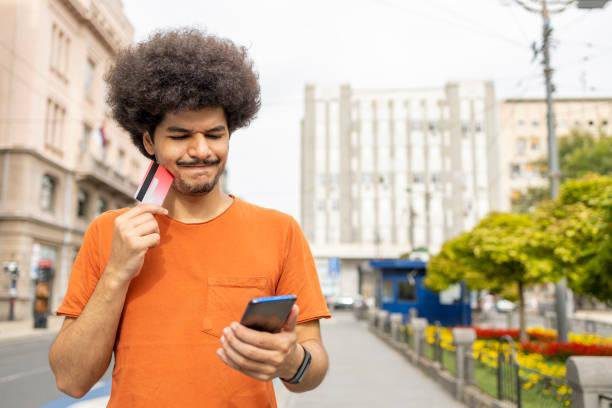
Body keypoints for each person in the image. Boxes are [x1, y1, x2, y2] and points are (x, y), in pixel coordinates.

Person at [49, 28, 331, 407]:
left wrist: (291, 360)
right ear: (149, 142)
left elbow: (311, 369)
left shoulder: (279, 231)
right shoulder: (108, 233)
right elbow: (70, 380)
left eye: (215, 134)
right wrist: (117, 272)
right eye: (180, 135)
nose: (201, 150)